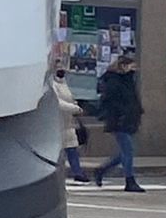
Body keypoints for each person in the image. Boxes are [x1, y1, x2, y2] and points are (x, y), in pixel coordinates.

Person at [94, 50, 146, 193]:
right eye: (130, 66)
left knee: (125, 152)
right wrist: (121, 114)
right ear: (122, 66)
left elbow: (132, 100)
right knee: (128, 151)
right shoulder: (113, 81)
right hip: (119, 120)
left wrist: (137, 113)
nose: (133, 69)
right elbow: (111, 101)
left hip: (129, 120)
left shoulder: (128, 80)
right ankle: (130, 181)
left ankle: (102, 170)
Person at [53, 64, 90, 183]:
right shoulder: (52, 85)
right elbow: (57, 102)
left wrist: (74, 104)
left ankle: (77, 172)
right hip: (57, 123)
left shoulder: (64, 83)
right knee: (59, 151)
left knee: (72, 149)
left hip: (68, 122)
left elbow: (68, 98)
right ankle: (56, 173)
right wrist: (74, 108)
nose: (61, 70)